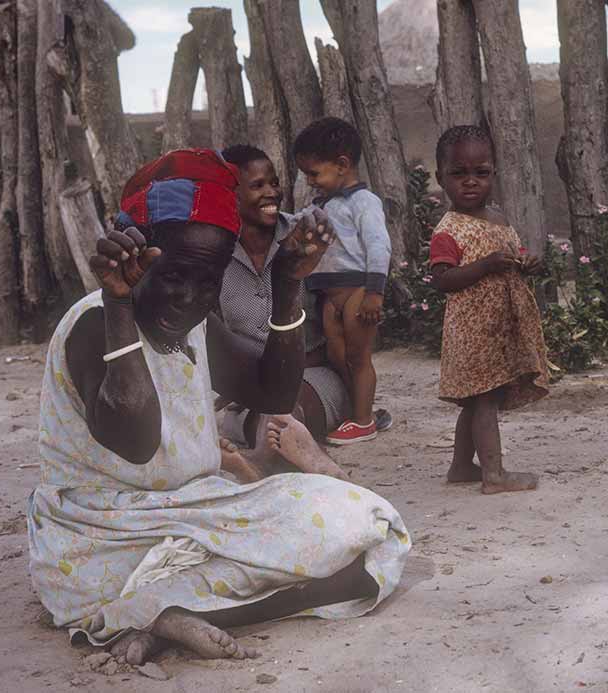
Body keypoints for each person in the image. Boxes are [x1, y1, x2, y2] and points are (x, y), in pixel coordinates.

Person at [28, 149, 410, 667]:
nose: (189, 297)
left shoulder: (196, 324)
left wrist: (286, 285)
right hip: (101, 536)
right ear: (134, 260)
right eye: (173, 274)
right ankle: (161, 606)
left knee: (369, 529)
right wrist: (119, 303)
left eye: (209, 281)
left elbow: (274, 394)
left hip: (196, 510)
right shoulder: (95, 323)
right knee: (344, 552)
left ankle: (161, 614)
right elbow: (137, 443)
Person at [215, 144, 389, 467]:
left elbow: (345, 305)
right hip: (250, 391)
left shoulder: (308, 235)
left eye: (274, 182)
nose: (272, 193)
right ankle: (278, 462)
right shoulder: (214, 254)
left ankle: (258, 465)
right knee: (269, 421)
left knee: (287, 412)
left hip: (313, 378)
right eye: (257, 186)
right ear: (230, 194)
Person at [428, 125, 550, 494]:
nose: (470, 182)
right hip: (472, 333)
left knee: (480, 401)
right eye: (458, 174)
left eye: (480, 173)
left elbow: (512, 254)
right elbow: (442, 280)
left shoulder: (497, 218)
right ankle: (494, 475)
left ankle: (462, 465)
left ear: (493, 173)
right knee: (483, 402)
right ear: (440, 178)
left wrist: (527, 263)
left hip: (498, 329)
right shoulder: (448, 230)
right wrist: (486, 265)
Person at [294, 117, 391, 445]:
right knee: (338, 357)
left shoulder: (364, 203)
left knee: (358, 356)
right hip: (328, 296)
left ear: (342, 164)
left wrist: (374, 293)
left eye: (314, 173)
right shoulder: (320, 205)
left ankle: (363, 422)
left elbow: (379, 246)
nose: (310, 181)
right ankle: (363, 412)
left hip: (357, 292)